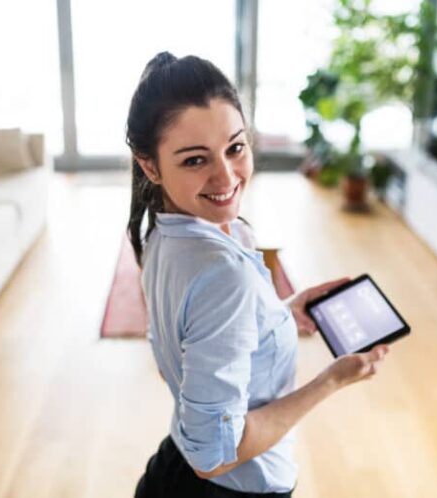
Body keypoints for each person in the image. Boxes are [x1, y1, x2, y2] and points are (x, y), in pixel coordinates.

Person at [127, 52, 389, 498]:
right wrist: (333, 379)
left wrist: (280, 312)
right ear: (150, 165)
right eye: (195, 160)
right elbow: (215, 456)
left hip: (172, 470)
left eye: (235, 147)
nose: (226, 176)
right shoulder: (224, 274)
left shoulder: (162, 232)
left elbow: (204, 338)